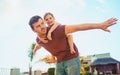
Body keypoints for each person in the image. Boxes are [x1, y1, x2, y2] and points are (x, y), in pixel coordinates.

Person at [29, 14, 117, 75]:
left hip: (71, 58)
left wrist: (100, 25)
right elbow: (37, 46)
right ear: (33, 30)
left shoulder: (57, 30)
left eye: (42, 23)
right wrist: (33, 52)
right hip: (59, 62)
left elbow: (78, 27)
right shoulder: (38, 40)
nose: (42, 27)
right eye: (38, 26)